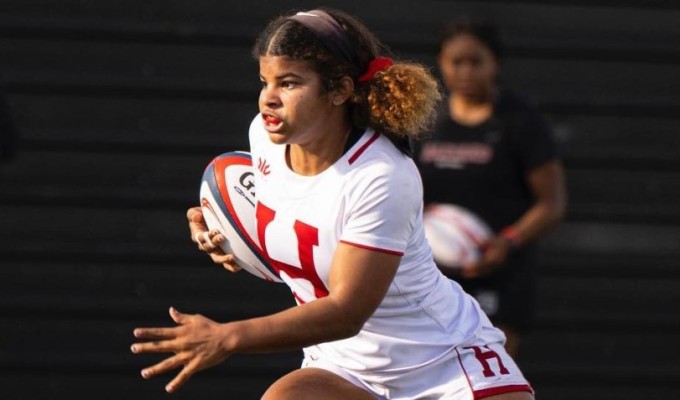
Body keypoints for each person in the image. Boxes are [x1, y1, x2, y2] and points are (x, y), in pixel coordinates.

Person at [131, 8, 535, 399]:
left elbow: (346, 310)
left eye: (288, 83)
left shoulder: (381, 175)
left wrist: (228, 336)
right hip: (344, 366)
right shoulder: (264, 141)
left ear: (340, 89)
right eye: (264, 81)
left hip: (438, 362)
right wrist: (219, 232)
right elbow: (289, 237)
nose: (268, 99)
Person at [413, 18, 567, 358]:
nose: (466, 71)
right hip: (432, 277)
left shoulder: (520, 120)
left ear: (494, 63)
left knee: (490, 376)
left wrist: (507, 242)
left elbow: (551, 203)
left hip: (501, 274)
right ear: (441, 63)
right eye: (457, 62)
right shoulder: (427, 121)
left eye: (476, 62)